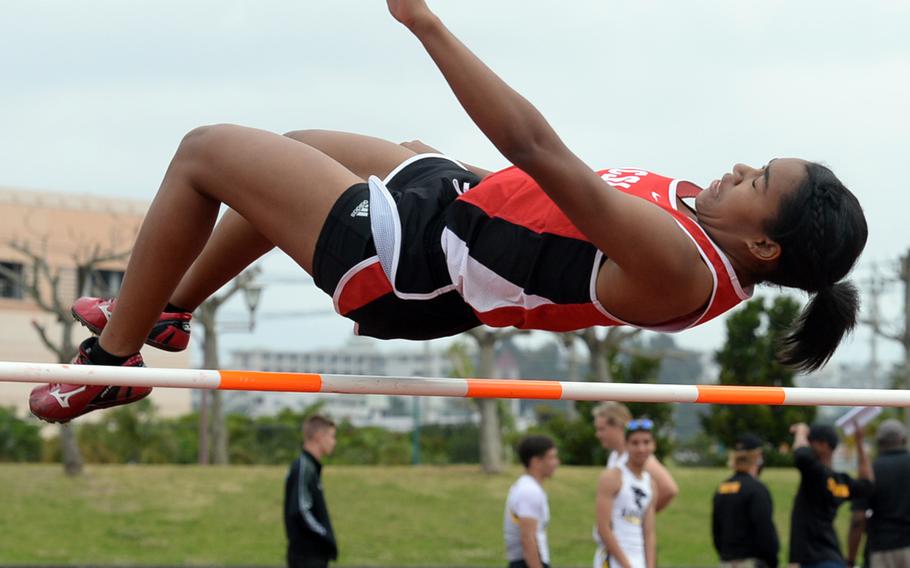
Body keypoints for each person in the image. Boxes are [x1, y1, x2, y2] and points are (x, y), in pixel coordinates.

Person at [29, 0, 868, 422]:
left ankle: (111, 363)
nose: (737, 168)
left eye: (756, 178)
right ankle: (169, 309)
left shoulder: (681, 265)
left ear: (762, 240)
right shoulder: (707, 218)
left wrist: (426, 24)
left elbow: (541, 153)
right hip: (460, 209)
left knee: (206, 150)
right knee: (288, 148)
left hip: (419, 271)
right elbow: (541, 207)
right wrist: (438, 166)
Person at [788, 422, 872, 568]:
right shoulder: (839, 483)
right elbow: (867, 484)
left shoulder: (816, 475)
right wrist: (859, 442)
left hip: (814, 560)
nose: (808, 446)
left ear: (823, 445)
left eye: (810, 442)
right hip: (831, 557)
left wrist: (801, 431)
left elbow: (801, 455)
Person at [594, 417, 659, 568]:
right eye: (635, 443)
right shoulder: (613, 477)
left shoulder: (650, 484)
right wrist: (626, 565)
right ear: (626, 445)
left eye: (646, 442)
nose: (641, 448)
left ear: (653, 445)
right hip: (614, 559)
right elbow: (603, 528)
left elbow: (649, 532)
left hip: (639, 559)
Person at [847, 419, 910, 568]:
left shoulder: (872, 471)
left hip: (881, 549)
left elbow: (858, 519)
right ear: (903, 439)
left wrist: (850, 560)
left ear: (879, 442)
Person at [593, 402, 678, 512]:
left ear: (618, 427)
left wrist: (641, 517)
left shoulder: (638, 457)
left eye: (601, 429)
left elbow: (669, 489)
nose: (598, 434)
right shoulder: (614, 455)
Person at [711, 433, 779, 568]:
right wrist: (772, 561)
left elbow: (716, 532)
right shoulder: (757, 489)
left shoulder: (722, 488)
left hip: (725, 562)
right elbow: (765, 532)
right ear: (758, 458)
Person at [284, 415, 338, 568]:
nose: (334, 442)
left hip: (314, 555)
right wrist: (324, 535)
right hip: (307, 556)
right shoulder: (303, 467)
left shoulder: (311, 467)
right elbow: (300, 510)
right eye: (332, 436)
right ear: (319, 437)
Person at [504, 435, 560, 568]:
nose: (557, 462)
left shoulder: (526, 486)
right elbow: (527, 539)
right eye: (551, 457)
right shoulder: (529, 491)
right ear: (536, 461)